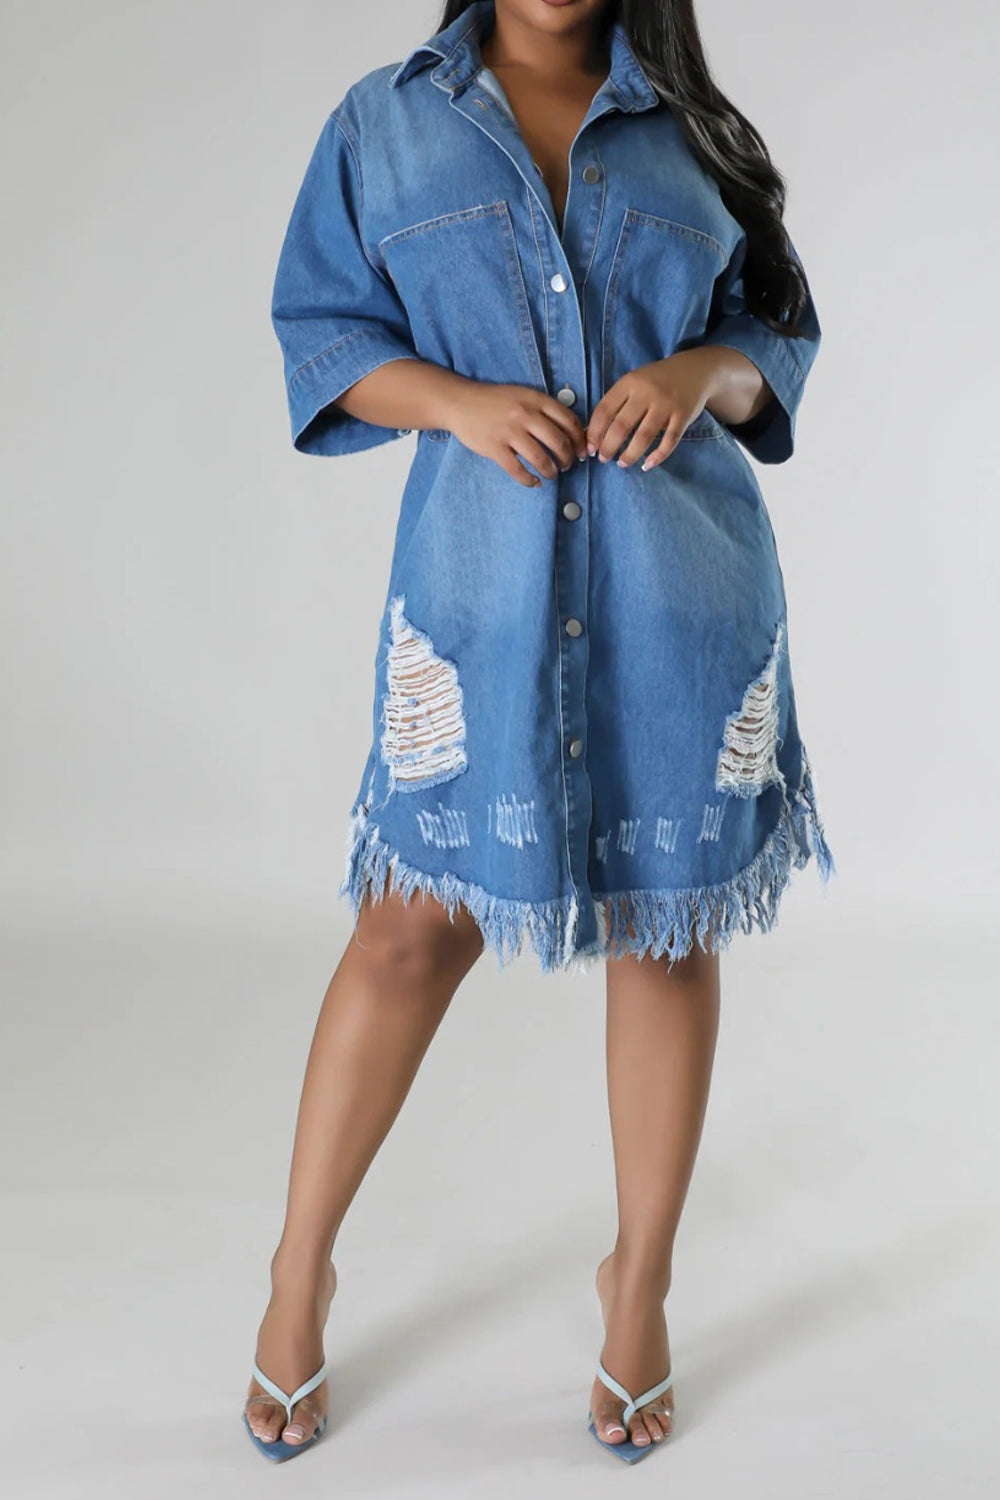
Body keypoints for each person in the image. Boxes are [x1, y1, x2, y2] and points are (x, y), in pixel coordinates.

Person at [244, 0, 836, 1465]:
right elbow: (324, 334)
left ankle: (640, 1285)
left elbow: (775, 337)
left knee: (665, 933)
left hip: (677, 604)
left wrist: (696, 375)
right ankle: (298, 1270)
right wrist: (453, 401)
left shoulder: (695, 128)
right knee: (406, 934)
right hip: (481, 612)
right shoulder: (387, 123)